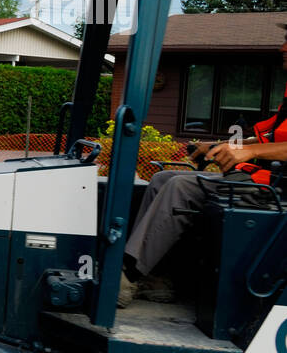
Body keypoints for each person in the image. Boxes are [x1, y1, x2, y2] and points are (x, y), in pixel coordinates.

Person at [119, 34, 287, 307]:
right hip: (265, 182)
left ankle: (127, 274)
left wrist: (251, 152)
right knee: (164, 178)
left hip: (277, 192)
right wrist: (225, 144)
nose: (282, 47)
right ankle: (156, 276)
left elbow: (265, 149)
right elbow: (270, 140)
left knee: (181, 187)